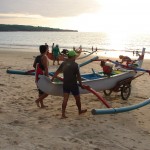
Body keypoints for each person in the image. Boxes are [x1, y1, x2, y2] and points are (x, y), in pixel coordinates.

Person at [51, 50, 87, 119]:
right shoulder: (75, 65)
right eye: (75, 56)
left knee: (65, 99)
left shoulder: (63, 63)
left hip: (66, 84)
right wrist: (81, 85)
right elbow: (78, 76)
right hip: (73, 84)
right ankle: (79, 111)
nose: (75, 57)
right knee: (77, 99)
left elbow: (57, 72)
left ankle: (63, 114)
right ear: (73, 56)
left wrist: (52, 80)